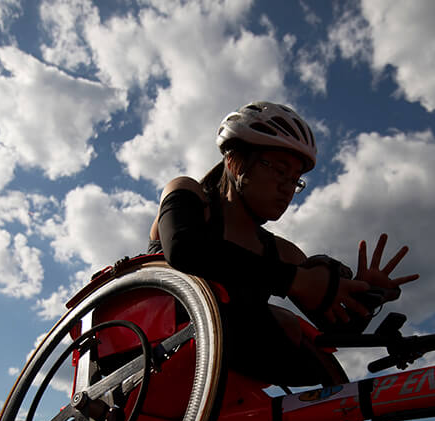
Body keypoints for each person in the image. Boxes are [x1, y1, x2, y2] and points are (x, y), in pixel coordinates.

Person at [147, 101, 418, 385]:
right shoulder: (189, 194)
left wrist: (366, 296)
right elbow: (184, 249)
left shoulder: (283, 252)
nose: (288, 187)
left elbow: (338, 332)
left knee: (307, 347)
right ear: (235, 161)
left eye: (296, 180)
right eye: (279, 170)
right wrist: (296, 280)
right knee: (282, 322)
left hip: (229, 363)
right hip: (156, 348)